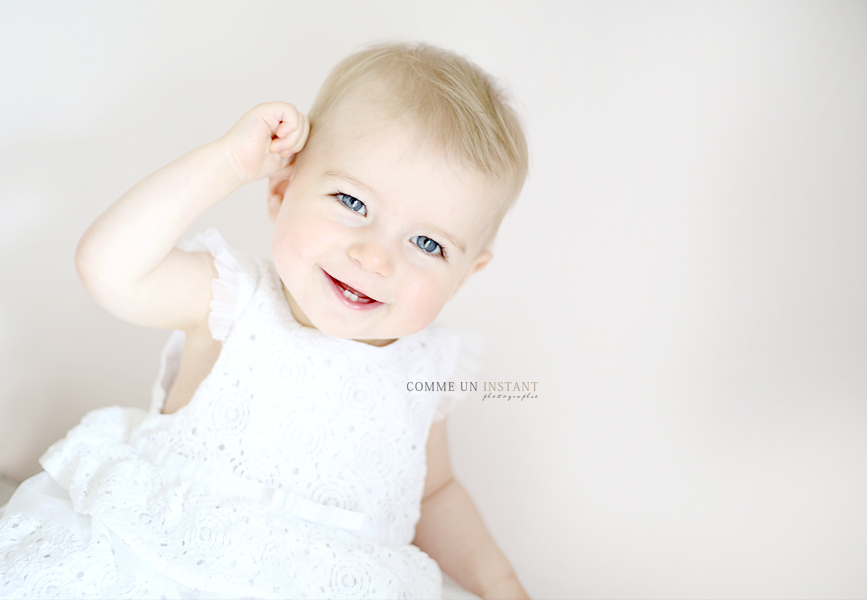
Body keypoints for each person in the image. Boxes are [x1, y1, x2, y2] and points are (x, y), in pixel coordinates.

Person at [0, 42, 528, 599]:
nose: (375, 257)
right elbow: (111, 269)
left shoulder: (426, 364)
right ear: (281, 189)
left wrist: (500, 583)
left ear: (467, 273)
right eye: (352, 203)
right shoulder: (234, 299)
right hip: (166, 557)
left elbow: (434, 495)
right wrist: (227, 164)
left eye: (427, 243)